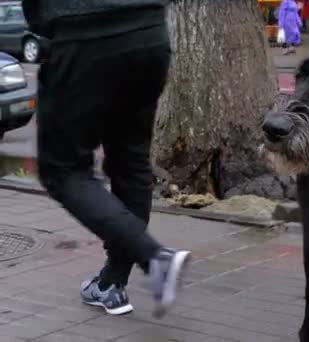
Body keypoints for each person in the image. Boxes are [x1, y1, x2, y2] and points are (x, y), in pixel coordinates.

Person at [22, 1, 191, 318]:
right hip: (148, 33)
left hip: (83, 35)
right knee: (131, 162)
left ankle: (156, 259)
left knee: (62, 171)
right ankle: (112, 283)